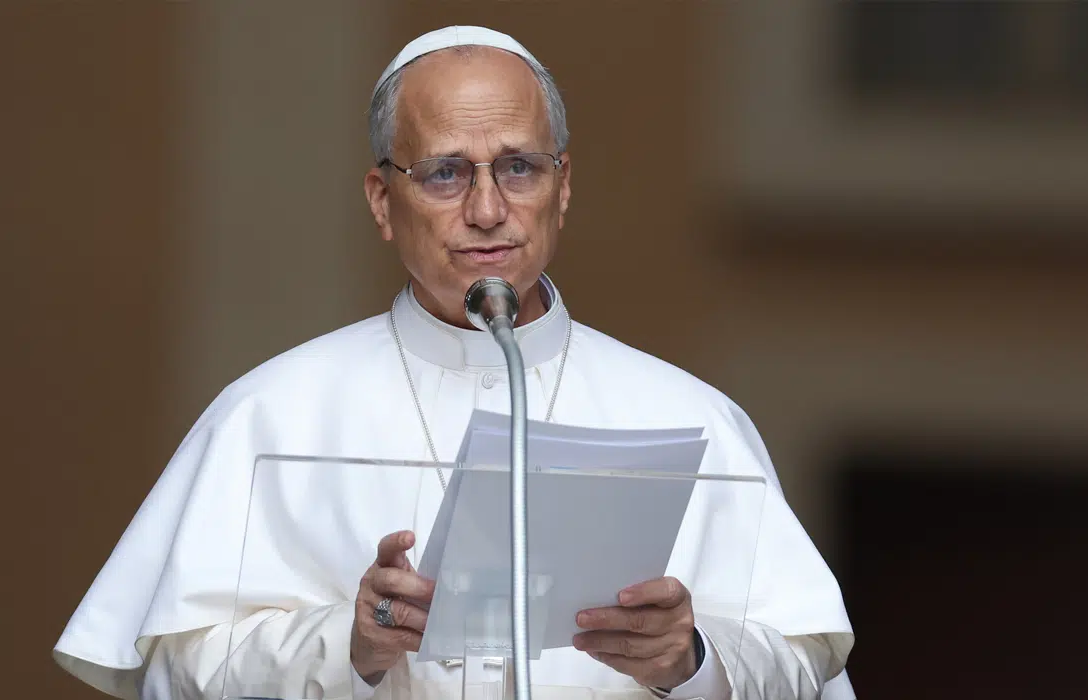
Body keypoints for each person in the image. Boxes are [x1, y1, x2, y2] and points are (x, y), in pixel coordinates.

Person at [53, 25, 856, 700]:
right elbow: (176, 673)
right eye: (444, 173)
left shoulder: (691, 414)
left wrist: (691, 660)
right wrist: (350, 644)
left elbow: (804, 667)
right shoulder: (271, 412)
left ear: (562, 186)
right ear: (382, 201)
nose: (487, 209)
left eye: (518, 167)